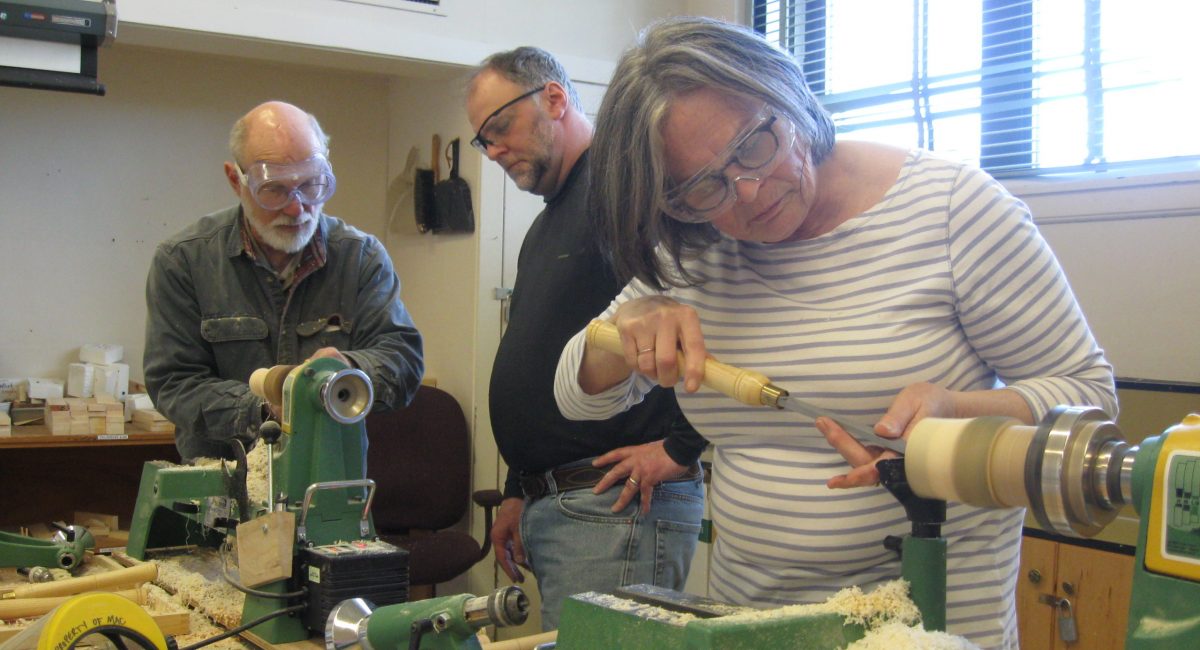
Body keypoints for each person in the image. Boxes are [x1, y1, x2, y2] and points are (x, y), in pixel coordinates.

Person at [553, 17, 1116, 650]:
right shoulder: (698, 246)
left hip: (927, 629)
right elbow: (579, 395)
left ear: (789, 97)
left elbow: (1089, 394)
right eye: (703, 186)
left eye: (753, 145)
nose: (748, 190)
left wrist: (954, 410)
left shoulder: (951, 209)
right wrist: (622, 330)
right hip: (751, 627)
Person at [465, 47, 707, 629]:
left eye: (500, 128)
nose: (494, 150)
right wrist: (518, 489)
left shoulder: (628, 188)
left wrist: (681, 448)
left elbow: (713, 309)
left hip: (616, 505)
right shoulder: (550, 220)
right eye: (483, 140)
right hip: (562, 503)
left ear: (553, 98)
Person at [144, 100, 425, 462]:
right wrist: (268, 406)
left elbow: (402, 359)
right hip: (223, 484)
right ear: (236, 180)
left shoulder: (360, 257)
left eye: (311, 185)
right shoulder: (184, 260)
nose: (297, 208)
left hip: (327, 479)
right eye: (275, 190)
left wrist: (348, 369)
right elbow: (174, 384)